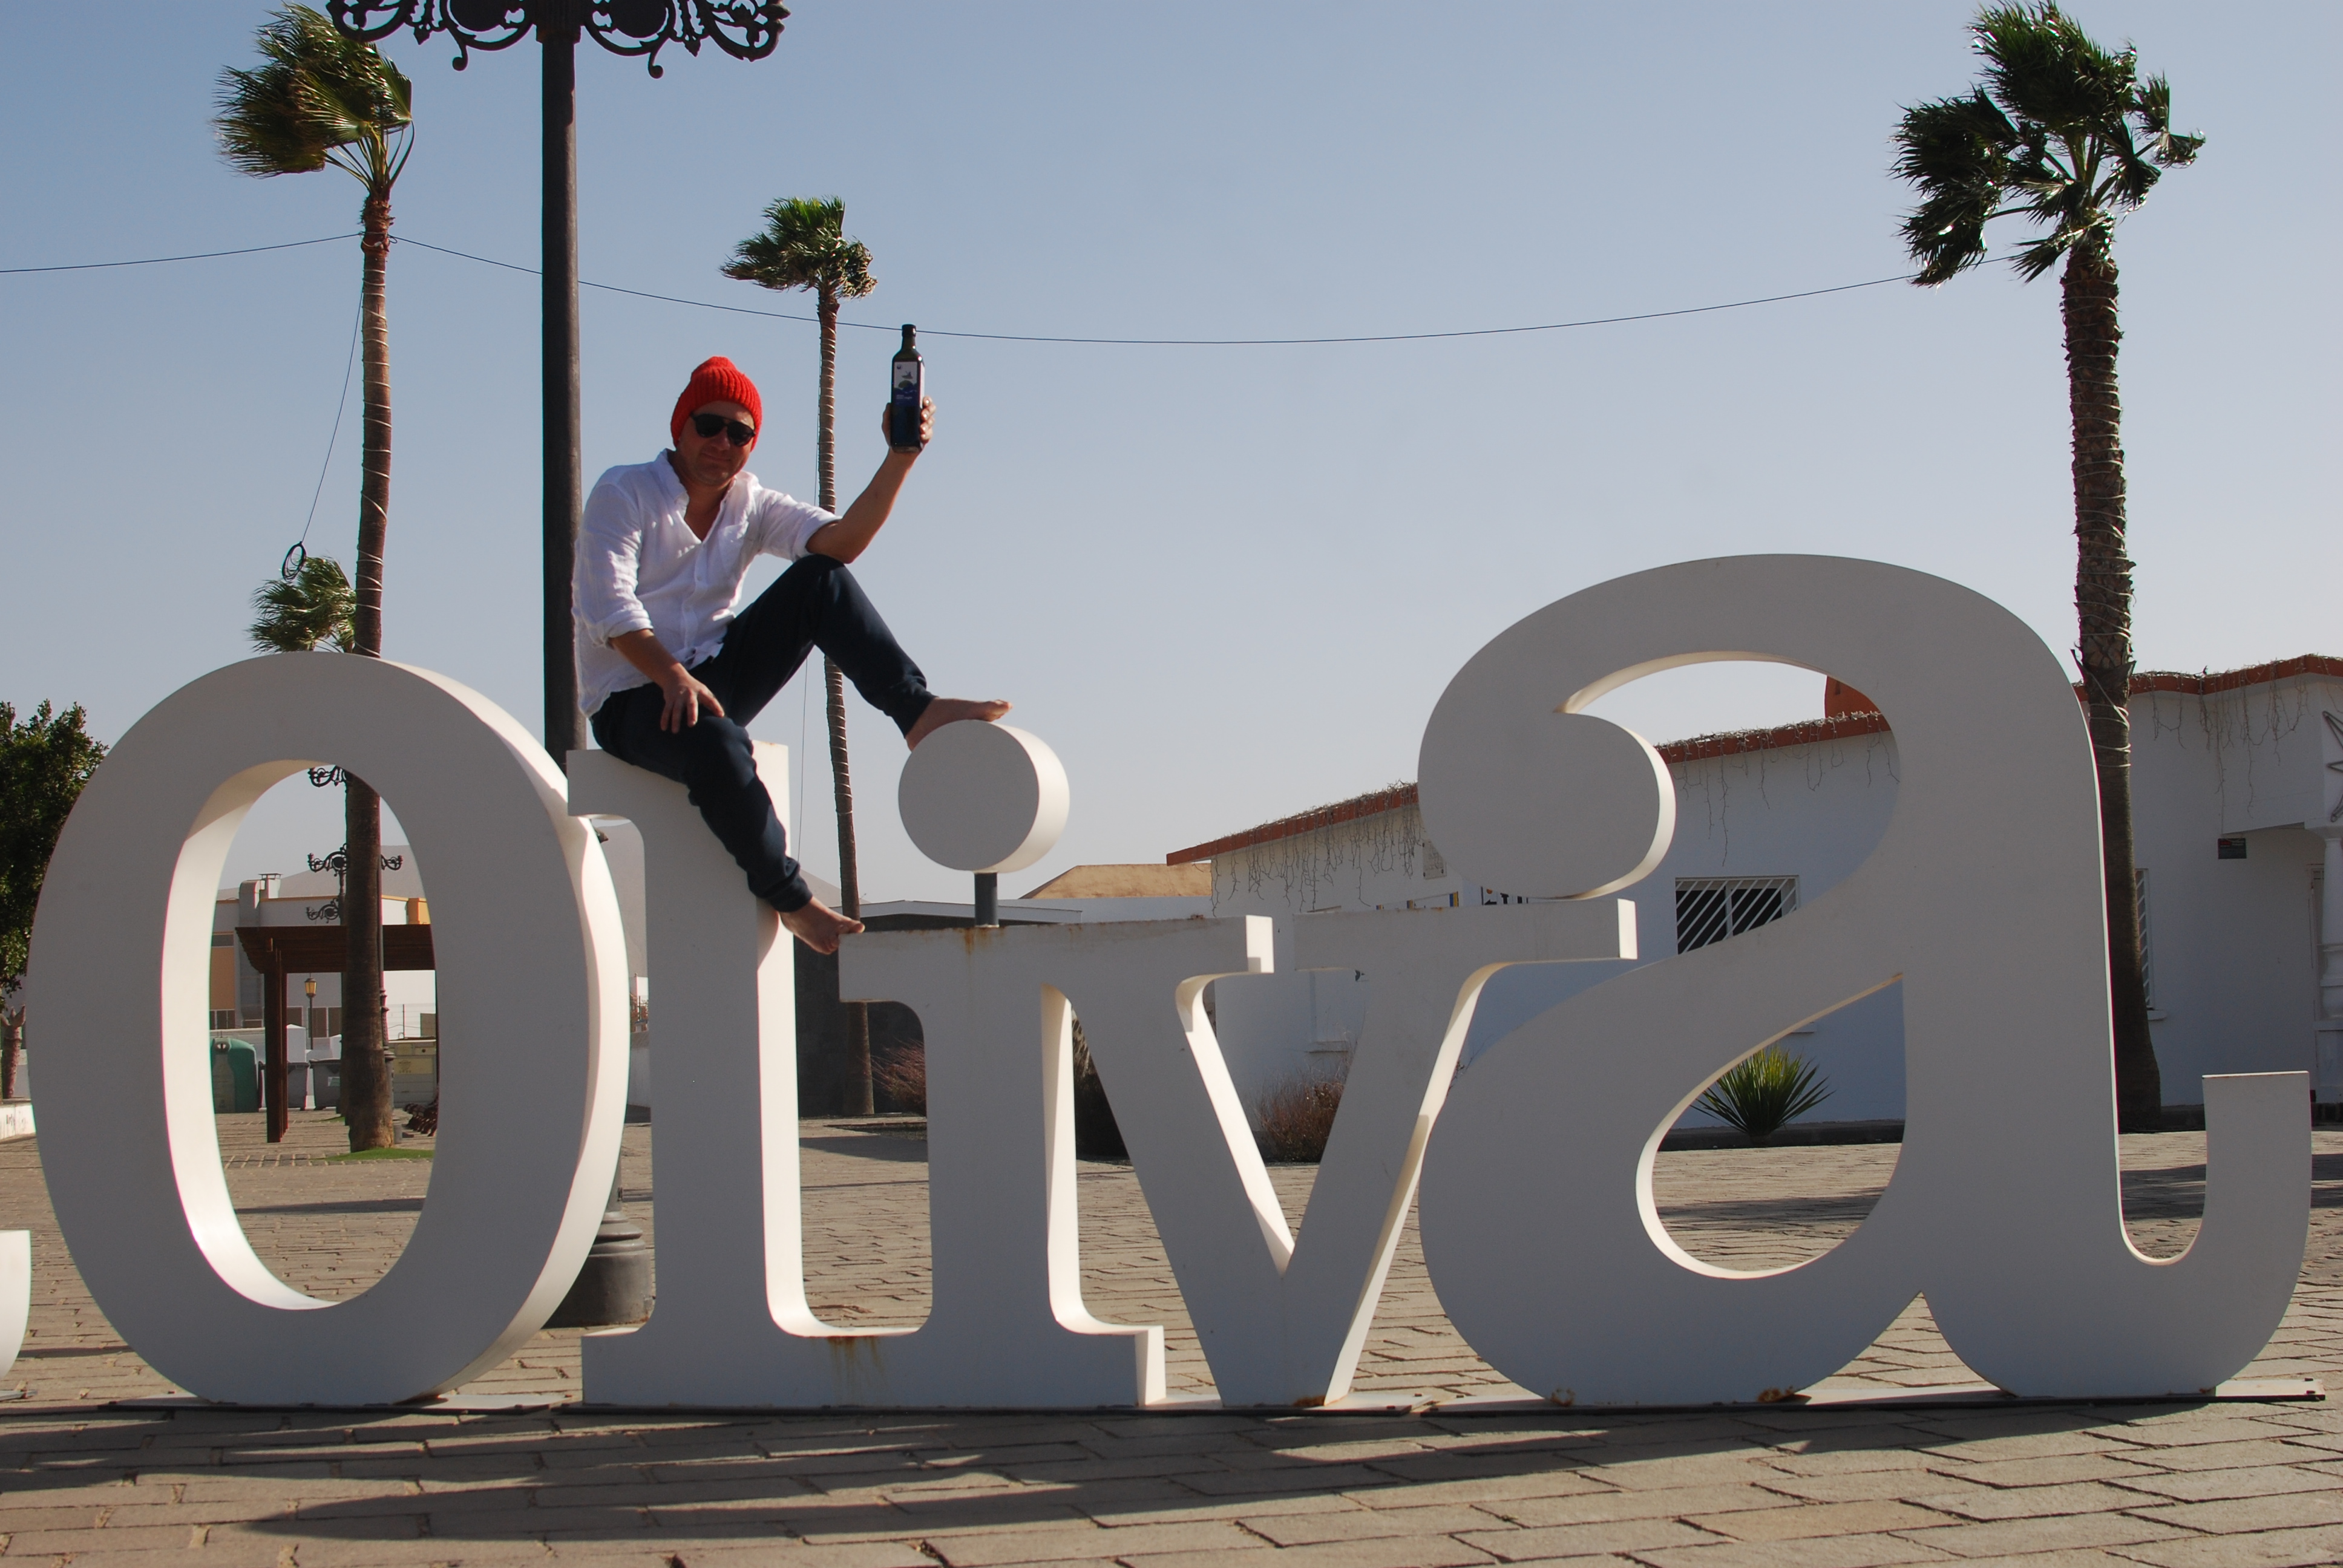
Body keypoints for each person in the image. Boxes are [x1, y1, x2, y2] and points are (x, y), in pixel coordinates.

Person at [574, 355, 1008, 954]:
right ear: (679, 427)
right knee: (718, 740)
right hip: (630, 699)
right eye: (708, 424)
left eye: (740, 432)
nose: (723, 442)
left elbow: (842, 543)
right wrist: (670, 676)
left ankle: (916, 710)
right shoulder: (624, 491)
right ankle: (792, 900)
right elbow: (608, 608)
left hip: (710, 677)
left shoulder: (748, 503)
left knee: (819, 578)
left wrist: (899, 456)